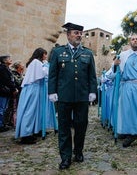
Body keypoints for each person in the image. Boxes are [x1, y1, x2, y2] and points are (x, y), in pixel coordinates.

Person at [48, 22, 97, 170]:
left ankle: (78, 151)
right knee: (64, 128)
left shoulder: (87, 53)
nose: (79, 35)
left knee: (81, 126)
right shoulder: (58, 52)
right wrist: (52, 91)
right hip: (64, 96)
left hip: (82, 96)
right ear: (68, 35)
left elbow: (92, 76)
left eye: (80, 33)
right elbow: (53, 75)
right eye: (76, 33)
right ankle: (66, 157)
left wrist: (92, 91)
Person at [15, 48, 48, 143]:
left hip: (33, 88)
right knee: (29, 111)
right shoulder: (36, 62)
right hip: (33, 88)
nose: (46, 56)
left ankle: (33, 130)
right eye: (45, 54)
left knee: (34, 111)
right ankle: (25, 135)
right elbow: (44, 73)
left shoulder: (34, 62)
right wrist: (46, 66)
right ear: (41, 54)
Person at [0, 55, 18, 132]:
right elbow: (7, 80)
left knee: (4, 109)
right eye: (9, 59)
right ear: (4, 61)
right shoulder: (2, 69)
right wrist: (14, 88)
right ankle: (0, 125)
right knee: (1, 109)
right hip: (2, 92)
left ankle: (3, 124)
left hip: (6, 92)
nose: (11, 60)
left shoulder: (6, 68)